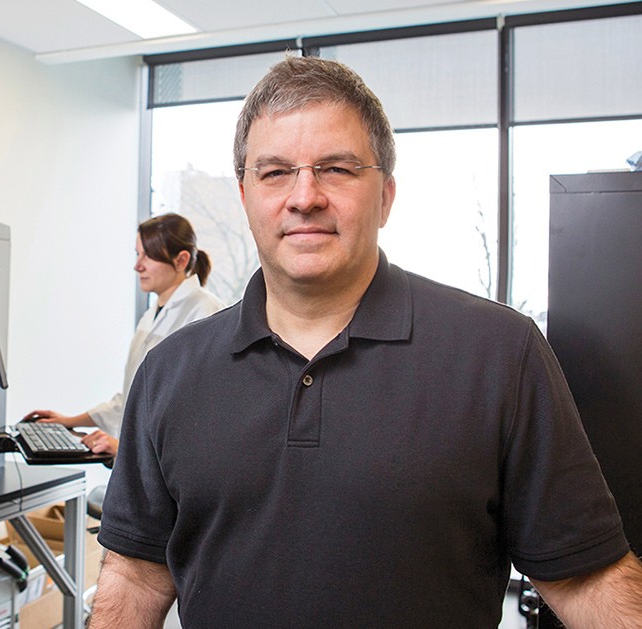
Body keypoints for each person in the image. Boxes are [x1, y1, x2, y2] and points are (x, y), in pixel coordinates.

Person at [89, 57, 642, 628]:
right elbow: (134, 573)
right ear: (245, 196)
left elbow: (588, 577)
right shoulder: (171, 371)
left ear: (386, 196)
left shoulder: (500, 354)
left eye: (336, 169)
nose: (304, 197)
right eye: (275, 172)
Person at [23, 213, 224, 456]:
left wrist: (123, 449)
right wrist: (70, 421)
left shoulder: (205, 312)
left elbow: (195, 416)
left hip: (168, 469)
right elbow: (132, 398)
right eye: (138, 254)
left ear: (181, 260)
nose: (138, 265)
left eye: (148, 255)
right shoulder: (152, 315)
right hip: (139, 461)